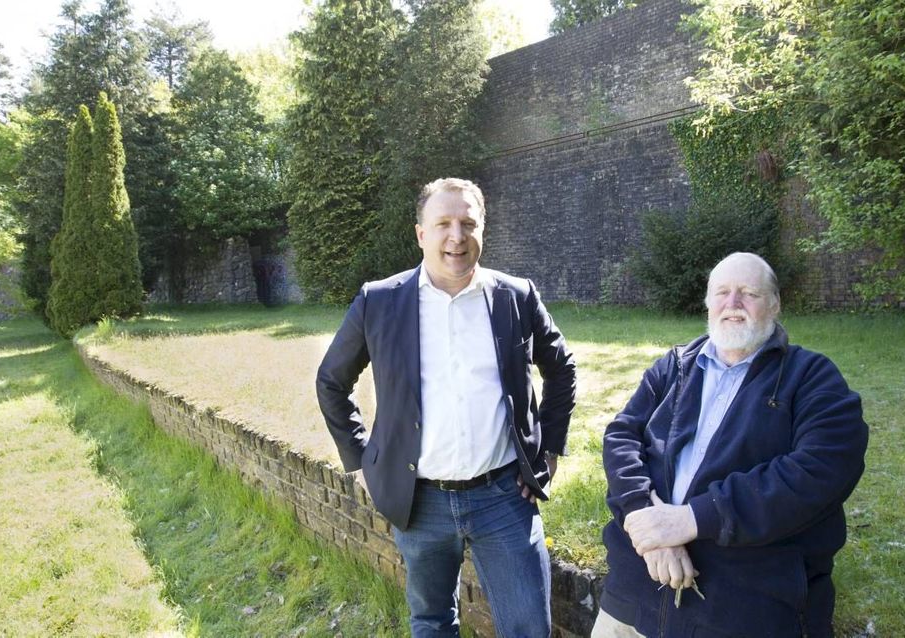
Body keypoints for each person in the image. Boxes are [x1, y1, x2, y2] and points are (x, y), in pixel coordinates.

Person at [317, 177, 577, 638]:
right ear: (421, 234)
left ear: (482, 231)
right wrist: (364, 460)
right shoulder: (379, 301)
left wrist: (549, 448)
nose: (456, 236)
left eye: (467, 224)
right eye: (443, 224)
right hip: (419, 502)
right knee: (432, 622)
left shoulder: (515, 296)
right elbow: (332, 381)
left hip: (503, 497)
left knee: (528, 628)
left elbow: (561, 368)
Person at [593, 252, 868, 638]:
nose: (732, 304)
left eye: (748, 293)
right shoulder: (674, 367)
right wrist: (647, 525)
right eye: (721, 292)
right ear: (707, 304)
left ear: (775, 305)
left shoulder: (811, 378)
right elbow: (621, 437)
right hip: (633, 593)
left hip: (741, 611)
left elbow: (822, 470)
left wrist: (691, 519)